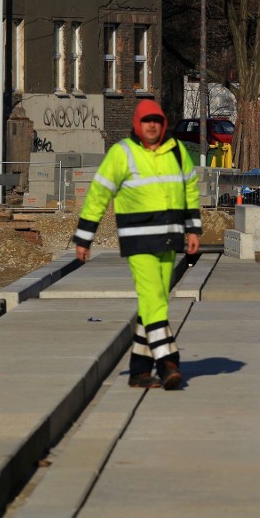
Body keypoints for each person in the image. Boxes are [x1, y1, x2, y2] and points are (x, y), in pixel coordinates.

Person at [73, 99, 201, 390]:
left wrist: (193, 229)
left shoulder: (177, 151)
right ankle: (168, 360)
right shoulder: (122, 154)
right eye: (146, 121)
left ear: (164, 123)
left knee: (154, 303)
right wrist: (84, 237)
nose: (152, 125)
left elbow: (190, 190)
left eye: (156, 120)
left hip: (170, 239)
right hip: (139, 241)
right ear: (137, 124)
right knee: (154, 300)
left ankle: (139, 370)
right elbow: (98, 195)